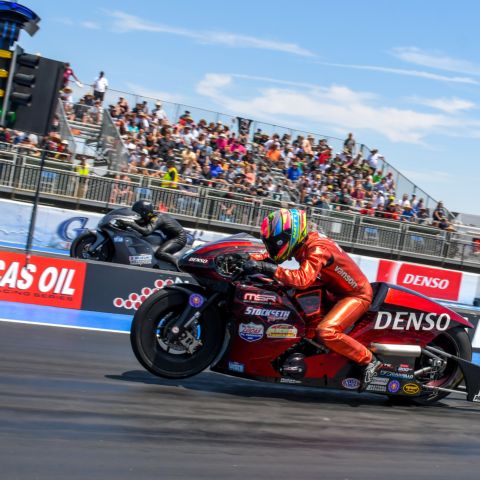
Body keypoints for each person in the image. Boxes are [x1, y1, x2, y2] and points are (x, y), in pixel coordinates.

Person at [243, 208, 380, 388]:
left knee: (327, 331)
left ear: (289, 236)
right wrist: (247, 257)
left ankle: (369, 360)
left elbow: (302, 279)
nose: (274, 245)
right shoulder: (303, 242)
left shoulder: (317, 249)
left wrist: (266, 268)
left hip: (355, 295)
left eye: (276, 241)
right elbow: (273, 255)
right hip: (332, 288)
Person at [120, 200, 187, 265]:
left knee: (160, 253)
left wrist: (130, 224)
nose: (137, 215)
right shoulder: (150, 217)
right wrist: (124, 223)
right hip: (170, 237)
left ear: (144, 211)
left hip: (179, 238)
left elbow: (146, 231)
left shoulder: (157, 218)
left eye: (138, 212)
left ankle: (179, 265)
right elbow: (139, 224)